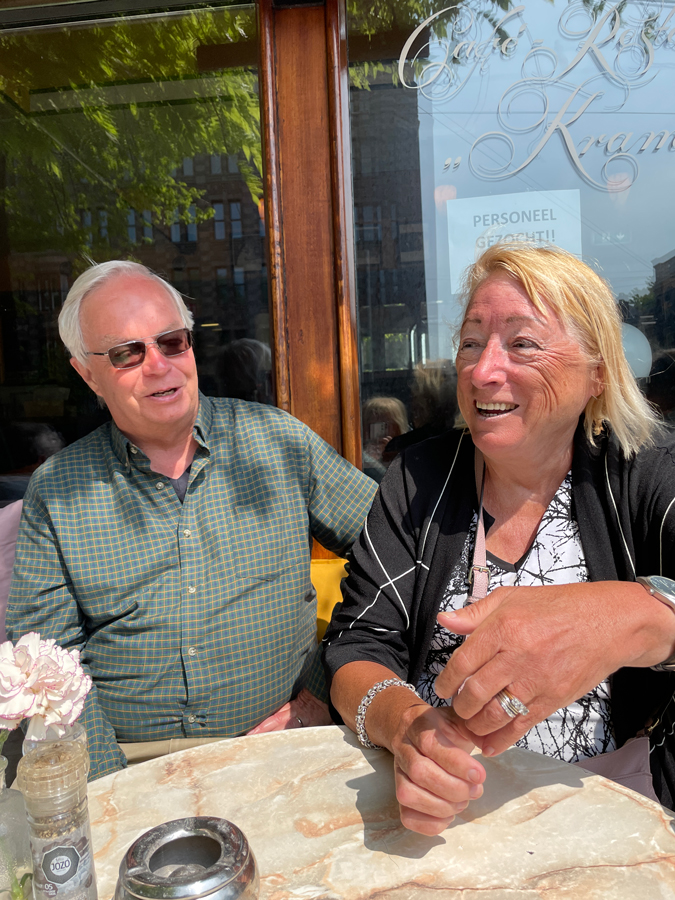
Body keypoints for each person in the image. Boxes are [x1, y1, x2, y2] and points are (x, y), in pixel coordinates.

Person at [324, 242, 675, 834]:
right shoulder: (418, 478)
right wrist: (405, 723)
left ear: (597, 372)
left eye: (523, 343)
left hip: (612, 815)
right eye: (470, 342)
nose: (483, 371)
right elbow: (359, 644)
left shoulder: (647, 472)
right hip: (446, 819)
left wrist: (636, 616)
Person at [7, 260, 376, 780]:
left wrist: (329, 693)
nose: (158, 365)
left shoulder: (278, 443)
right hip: (130, 765)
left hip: (286, 749)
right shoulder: (59, 489)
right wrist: (116, 787)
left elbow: (396, 557)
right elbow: (45, 661)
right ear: (87, 374)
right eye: (126, 353)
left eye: (172, 342)